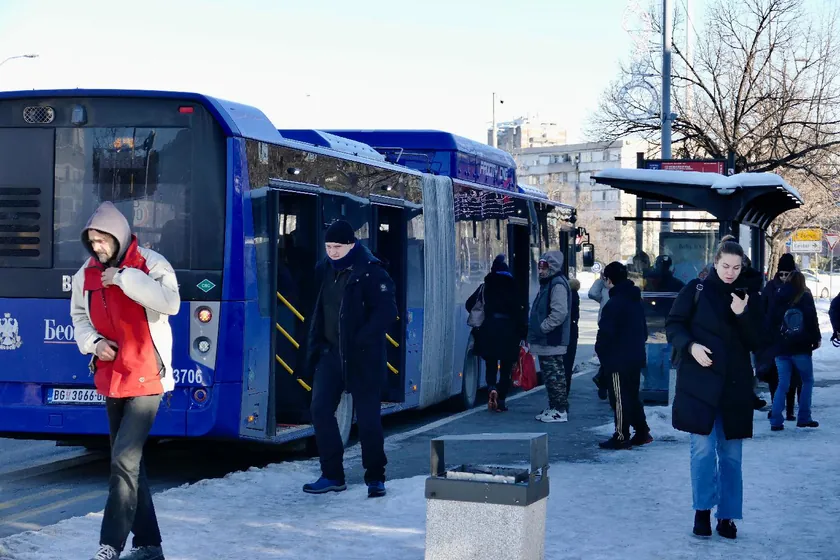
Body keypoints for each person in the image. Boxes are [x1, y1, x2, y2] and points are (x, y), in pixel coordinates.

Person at [70, 202, 180, 560]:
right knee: (130, 464)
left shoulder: (151, 263)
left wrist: (122, 277)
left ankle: (110, 544)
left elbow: (170, 303)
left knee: (124, 461)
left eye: (102, 240)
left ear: (117, 237)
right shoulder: (84, 273)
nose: (97, 247)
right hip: (113, 376)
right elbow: (78, 317)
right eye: (92, 241)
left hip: (148, 375)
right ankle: (150, 546)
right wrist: (94, 343)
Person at [666, 236, 764, 540]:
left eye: (736, 267)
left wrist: (742, 314)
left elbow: (758, 341)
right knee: (703, 452)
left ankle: (727, 516)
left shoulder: (748, 295)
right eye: (725, 266)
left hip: (734, 387)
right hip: (701, 384)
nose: (730, 272)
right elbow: (674, 325)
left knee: (732, 456)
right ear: (715, 262)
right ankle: (702, 511)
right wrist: (691, 346)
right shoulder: (696, 290)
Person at [303, 220, 397, 498]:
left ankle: (375, 477)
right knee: (320, 410)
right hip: (331, 354)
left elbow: (387, 312)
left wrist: (361, 339)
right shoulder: (324, 270)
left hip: (363, 356)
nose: (332, 252)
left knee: (368, 419)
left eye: (337, 247)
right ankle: (332, 475)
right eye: (328, 247)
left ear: (351, 245)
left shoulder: (371, 272)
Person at [594, 262, 651, 449]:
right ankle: (642, 431)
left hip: (617, 360)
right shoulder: (635, 300)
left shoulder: (614, 304)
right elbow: (644, 331)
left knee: (618, 398)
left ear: (609, 280)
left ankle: (621, 435)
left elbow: (605, 335)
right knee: (631, 397)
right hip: (635, 357)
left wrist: (602, 353)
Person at [466, 255, 525, 412]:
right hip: (509, 332)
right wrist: (523, 334)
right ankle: (502, 399)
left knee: (491, 364)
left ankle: (491, 386)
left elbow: (469, 304)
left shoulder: (485, 286)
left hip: (489, 329)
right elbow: (521, 313)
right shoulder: (514, 287)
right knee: (506, 368)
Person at [766, 269, 821, 431]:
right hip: (801, 347)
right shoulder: (804, 296)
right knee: (807, 381)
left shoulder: (778, 295)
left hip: (781, 348)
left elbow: (770, 321)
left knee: (782, 383)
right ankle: (804, 417)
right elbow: (812, 320)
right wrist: (816, 338)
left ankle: (776, 420)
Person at [529, 252, 572, 423]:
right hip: (548, 339)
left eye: (544, 267)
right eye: (539, 266)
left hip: (552, 339)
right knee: (550, 375)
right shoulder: (549, 283)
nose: (540, 270)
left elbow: (559, 312)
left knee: (554, 375)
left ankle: (559, 409)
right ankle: (555, 406)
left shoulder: (557, 284)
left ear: (552, 266)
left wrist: (543, 328)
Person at [760, 254, 801, 418]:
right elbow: (762, 310)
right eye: (781, 273)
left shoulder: (798, 289)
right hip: (773, 337)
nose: (784, 277)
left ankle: (790, 409)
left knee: (792, 375)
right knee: (774, 375)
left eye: (787, 274)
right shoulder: (770, 287)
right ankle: (776, 407)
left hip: (793, 337)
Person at [588, 273, 611, 400]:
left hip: (617, 328)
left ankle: (602, 381)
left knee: (610, 359)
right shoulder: (604, 289)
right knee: (605, 357)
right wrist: (600, 281)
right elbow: (592, 294)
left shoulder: (621, 290)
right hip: (604, 327)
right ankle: (602, 382)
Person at [563, 278, 581, 403]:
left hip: (566, 332)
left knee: (563, 364)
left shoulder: (567, 296)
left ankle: (562, 391)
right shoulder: (576, 296)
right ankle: (566, 390)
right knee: (568, 364)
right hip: (573, 332)